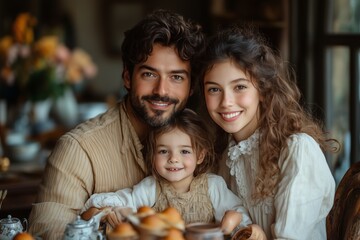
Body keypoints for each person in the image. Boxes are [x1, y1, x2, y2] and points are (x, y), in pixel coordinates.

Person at [28, 9, 205, 239]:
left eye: (176, 77)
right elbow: (45, 232)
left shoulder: (205, 143)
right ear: (127, 77)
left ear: (191, 87)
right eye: (149, 74)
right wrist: (107, 224)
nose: (162, 90)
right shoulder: (78, 149)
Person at [199, 26, 340, 239]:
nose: (226, 102)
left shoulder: (298, 150)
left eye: (239, 87)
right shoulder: (223, 156)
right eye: (214, 89)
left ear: (263, 91)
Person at [80, 109, 259, 236]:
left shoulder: (213, 185)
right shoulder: (151, 188)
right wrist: (106, 210)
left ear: (200, 156)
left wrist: (235, 220)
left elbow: (237, 214)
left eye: (185, 151)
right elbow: (124, 202)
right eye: (164, 151)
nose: (173, 159)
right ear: (153, 154)